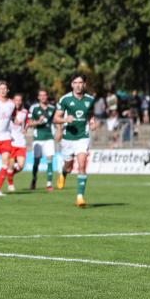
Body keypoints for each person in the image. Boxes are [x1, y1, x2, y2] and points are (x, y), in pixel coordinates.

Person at [54, 73, 98, 208]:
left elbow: (90, 114)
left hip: (82, 137)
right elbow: (56, 118)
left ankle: (80, 197)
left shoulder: (90, 99)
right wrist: (65, 120)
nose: (78, 85)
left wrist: (92, 122)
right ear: (71, 84)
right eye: (75, 82)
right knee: (69, 166)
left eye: (80, 83)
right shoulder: (65, 99)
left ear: (84, 84)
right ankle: (63, 173)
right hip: (68, 138)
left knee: (82, 165)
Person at [28, 89, 56, 191]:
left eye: (45, 95)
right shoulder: (34, 108)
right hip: (38, 138)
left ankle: (49, 183)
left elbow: (56, 121)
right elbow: (29, 123)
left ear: (47, 96)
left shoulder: (53, 108)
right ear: (38, 97)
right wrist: (38, 122)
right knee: (36, 162)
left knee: (49, 160)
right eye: (41, 95)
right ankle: (34, 179)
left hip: (49, 137)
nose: (43, 97)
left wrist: (59, 131)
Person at [5, 94, 28, 192]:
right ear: (13, 101)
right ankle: (10, 184)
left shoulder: (24, 112)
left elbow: (27, 121)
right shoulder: (8, 111)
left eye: (19, 100)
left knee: (21, 166)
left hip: (21, 142)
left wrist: (25, 129)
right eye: (16, 100)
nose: (17, 102)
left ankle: (9, 174)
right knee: (10, 165)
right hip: (11, 142)